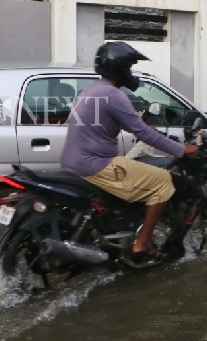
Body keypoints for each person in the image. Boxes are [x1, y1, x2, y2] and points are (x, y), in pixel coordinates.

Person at [60, 42, 199, 267]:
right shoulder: (113, 94)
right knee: (163, 182)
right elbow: (141, 131)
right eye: (129, 67)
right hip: (96, 163)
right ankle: (142, 244)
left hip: (74, 162)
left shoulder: (92, 90)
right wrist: (182, 149)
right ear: (119, 67)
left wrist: (145, 131)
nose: (131, 72)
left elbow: (116, 124)